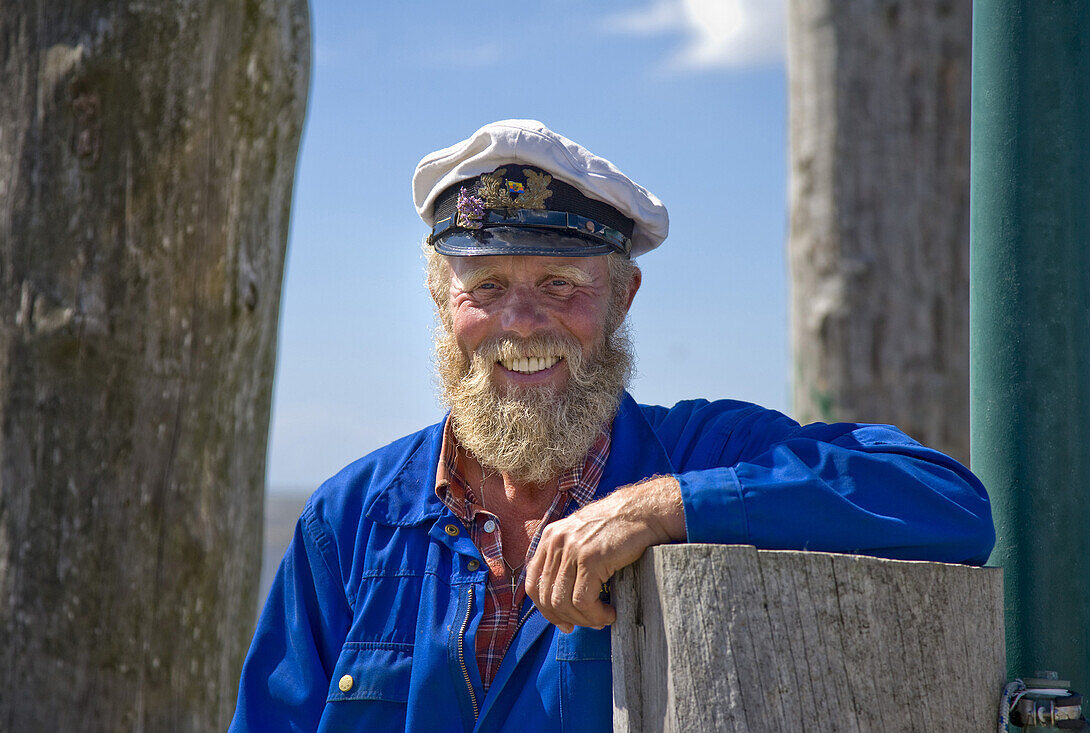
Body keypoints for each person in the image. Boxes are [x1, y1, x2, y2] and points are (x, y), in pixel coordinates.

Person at [229, 119, 994, 732]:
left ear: (623, 299)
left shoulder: (701, 453)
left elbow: (949, 502)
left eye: (559, 284)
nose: (521, 324)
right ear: (440, 300)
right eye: (486, 285)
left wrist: (659, 508)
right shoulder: (349, 521)